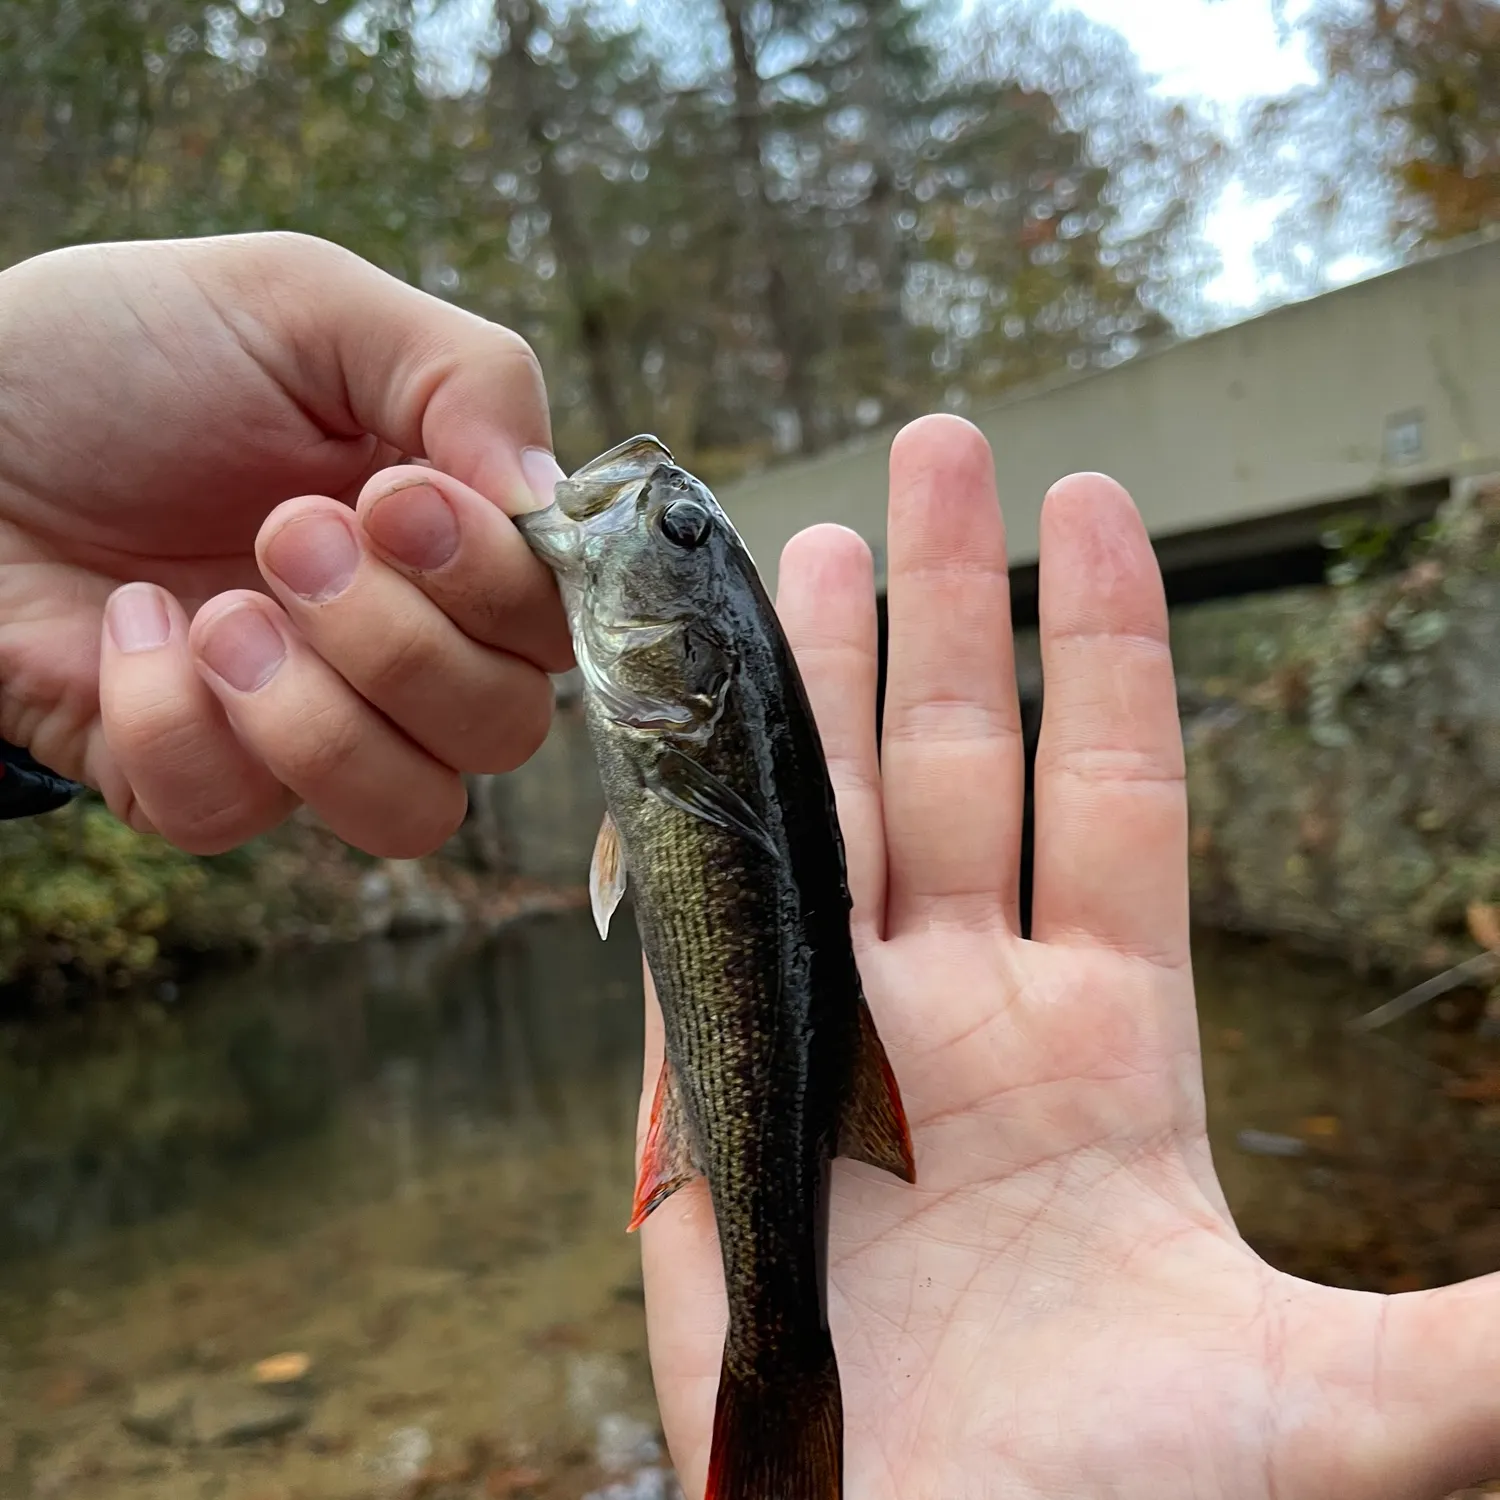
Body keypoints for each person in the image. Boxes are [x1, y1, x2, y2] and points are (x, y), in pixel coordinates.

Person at [0, 232, 1495, 1499]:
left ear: (694, 652)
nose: (638, 500)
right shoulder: (672, 704)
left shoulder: (689, 707)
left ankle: (777, 1366)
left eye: (674, 528)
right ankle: (781, 1367)